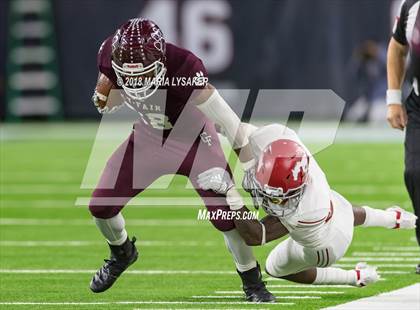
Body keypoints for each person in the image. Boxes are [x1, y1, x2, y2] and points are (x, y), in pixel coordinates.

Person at [88, 18, 275, 302]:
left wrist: (250, 168)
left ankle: (253, 283)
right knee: (100, 205)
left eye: (143, 75)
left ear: (162, 61)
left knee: (226, 218)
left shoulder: (185, 67)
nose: (136, 83)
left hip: (196, 142)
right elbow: (110, 81)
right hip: (148, 138)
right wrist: (105, 91)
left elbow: (228, 123)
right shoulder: (109, 55)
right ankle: (122, 252)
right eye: (129, 76)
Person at [198, 123, 417, 286]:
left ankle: (353, 277)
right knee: (344, 210)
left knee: (275, 267)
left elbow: (256, 236)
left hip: (326, 246)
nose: (271, 197)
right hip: (335, 207)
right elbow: (240, 130)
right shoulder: (282, 139)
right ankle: (393, 219)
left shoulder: (305, 210)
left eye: (279, 195)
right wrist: (216, 123)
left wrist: (231, 193)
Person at [386, 0, 420, 273]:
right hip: (419, 104)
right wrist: (393, 99)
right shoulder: (412, 7)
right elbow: (397, 49)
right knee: (415, 173)